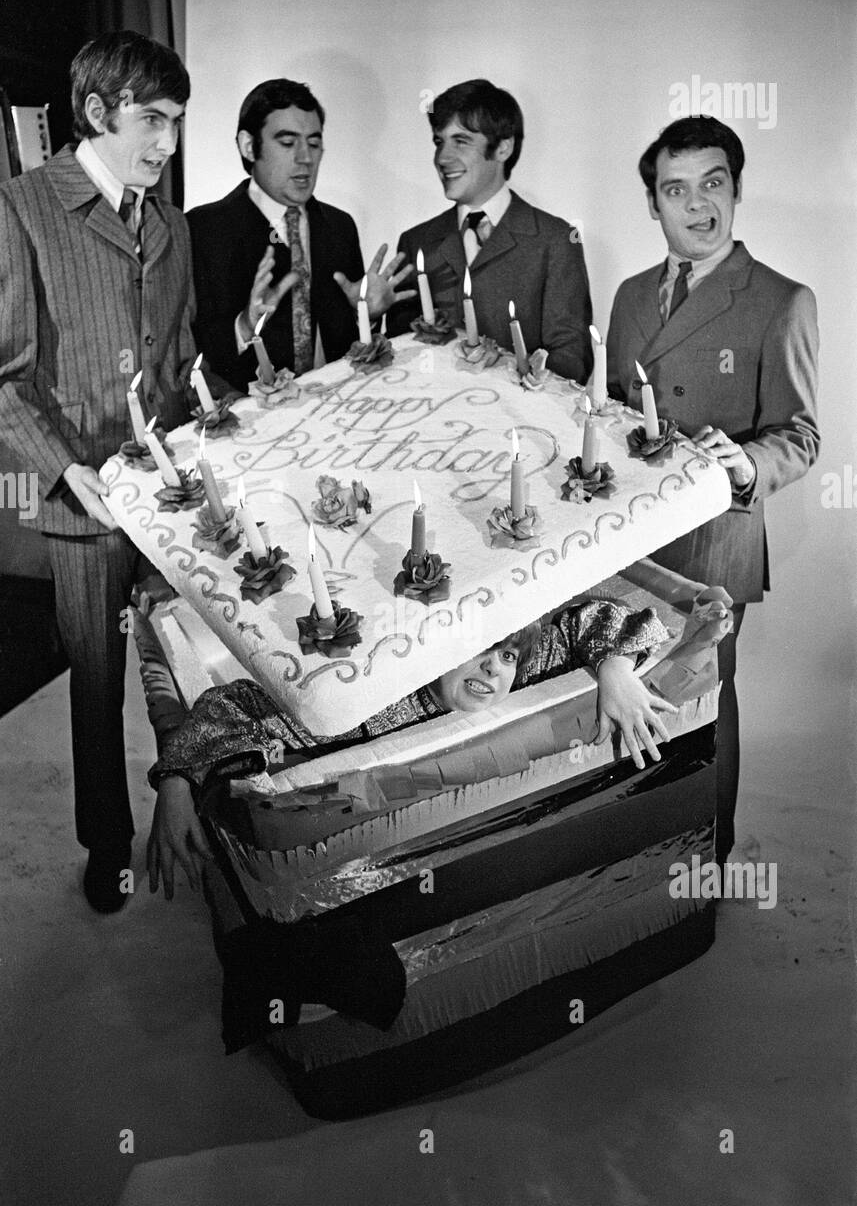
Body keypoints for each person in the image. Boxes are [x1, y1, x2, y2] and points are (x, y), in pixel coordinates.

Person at [0, 31, 211, 912]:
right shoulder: (21, 208)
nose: (166, 142)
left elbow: (185, 353)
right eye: (150, 121)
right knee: (95, 679)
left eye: (176, 122)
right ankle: (106, 845)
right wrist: (62, 471)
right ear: (95, 113)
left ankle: (196, 804)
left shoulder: (171, 223)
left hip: (169, 493)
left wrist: (224, 412)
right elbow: (6, 375)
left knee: (190, 662)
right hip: (82, 498)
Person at [147, 598, 681, 900]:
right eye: (477, 654)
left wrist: (615, 669)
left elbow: (598, 617)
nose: (494, 669)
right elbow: (231, 705)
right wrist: (175, 783)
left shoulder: (517, 672)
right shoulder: (372, 701)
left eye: (506, 657)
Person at [606, 115, 819, 868]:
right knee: (623, 686)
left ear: (734, 188)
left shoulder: (780, 299)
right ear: (651, 204)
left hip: (715, 537)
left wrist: (744, 466)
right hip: (629, 536)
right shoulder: (631, 296)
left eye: (713, 183)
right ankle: (634, 848)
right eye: (675, 189)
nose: (697, 206)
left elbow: (799, 436)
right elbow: (614, 413)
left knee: (701, 699)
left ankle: (706, 852)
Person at [186, 78, 416, 392]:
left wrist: (366, 314)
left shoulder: (339, 226)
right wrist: (244, 325)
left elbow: (351, 345)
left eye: (313, 142)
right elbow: (190, 350)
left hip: (337, 415)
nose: (305, 158)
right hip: (246, 424)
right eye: (287, 142)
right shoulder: (203, 229)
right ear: (248, 146)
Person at [385, 79, 592, 381]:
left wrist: (509, 372)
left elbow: (572, 360)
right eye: (439, 141)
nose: (442, 158)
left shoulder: (555, 240)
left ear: (503, 147)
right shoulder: (416, 241)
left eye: (461, 141)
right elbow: (401, 357)